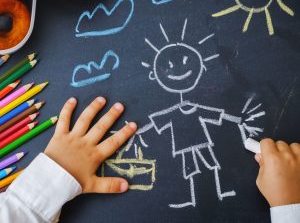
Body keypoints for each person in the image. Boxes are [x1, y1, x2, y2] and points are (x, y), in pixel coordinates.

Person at [0, 97, 299, 222]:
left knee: (208, 167)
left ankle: (216, 188)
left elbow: (216, 116)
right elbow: (160, 124)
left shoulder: (192, 108)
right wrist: (290, 208)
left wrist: (47, 185)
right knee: (196, 170)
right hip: (187, 149)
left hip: (200, 145)